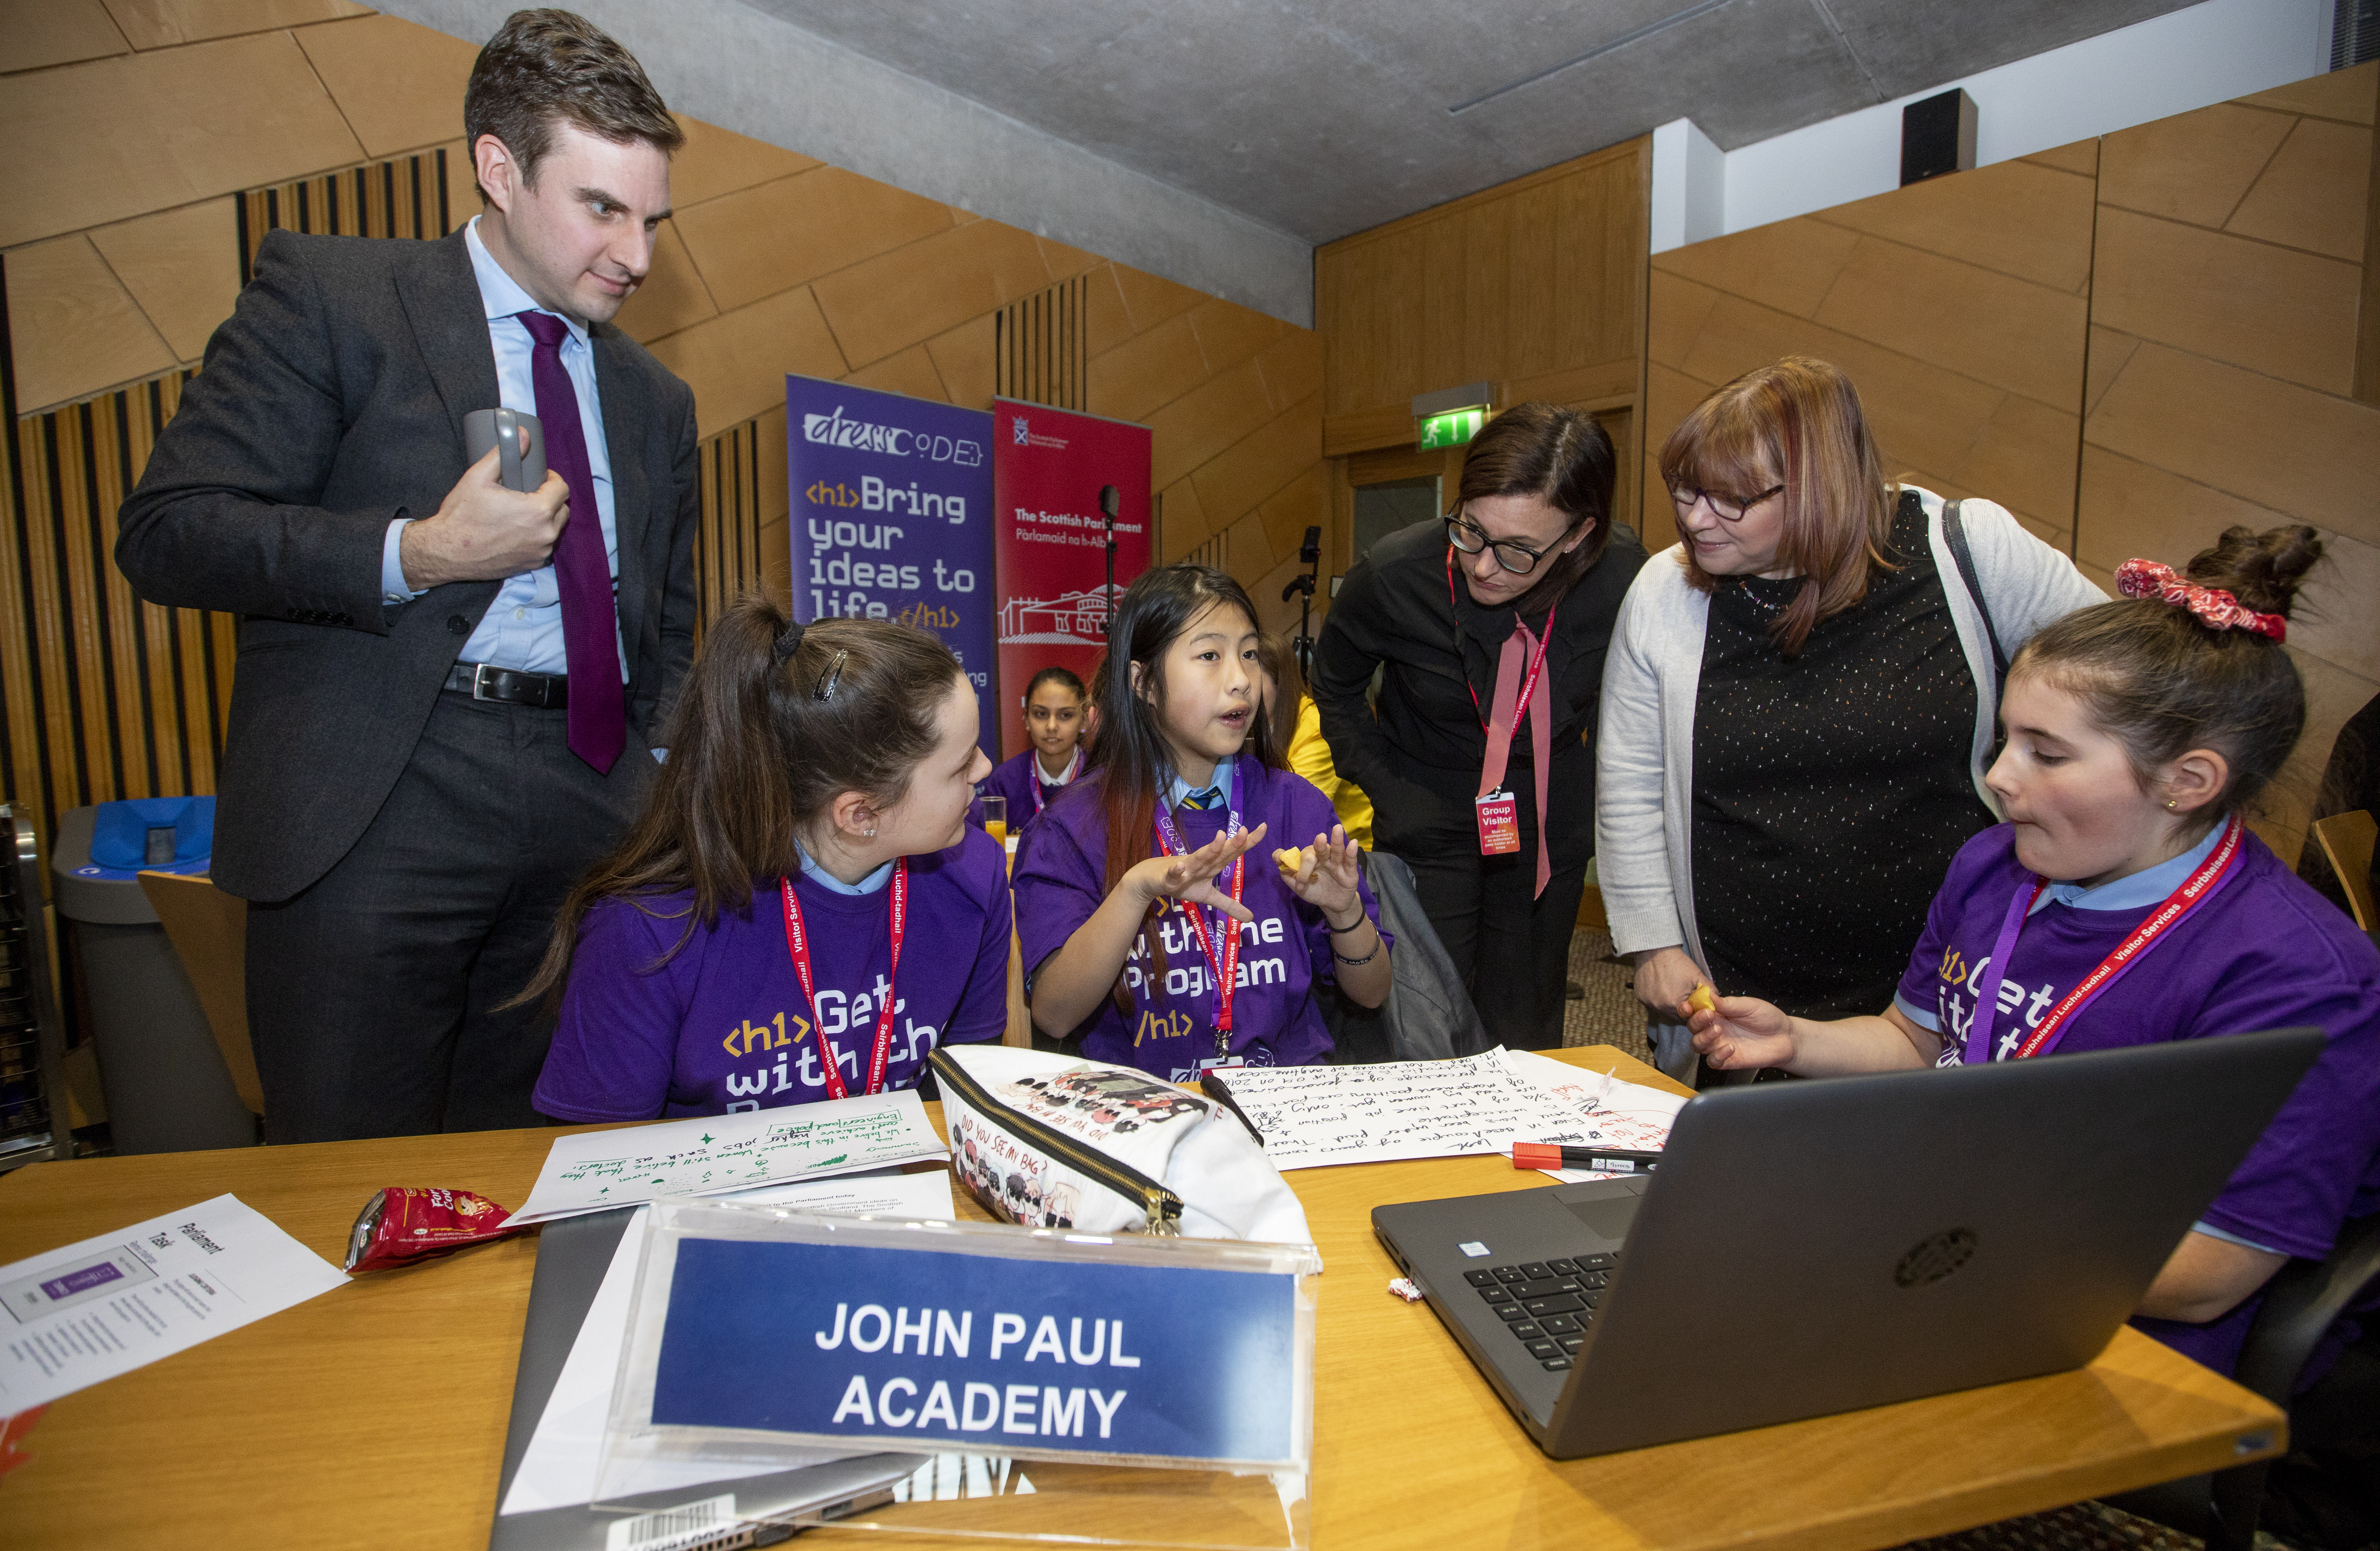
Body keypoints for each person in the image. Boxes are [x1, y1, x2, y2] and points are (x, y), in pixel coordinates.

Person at [111, 10, 696, 1142]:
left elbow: (664, 627)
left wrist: (651, 784)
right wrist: (413, 552)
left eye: (652, 219)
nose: (636, 253)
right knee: (348, 1177)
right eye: (602, 209)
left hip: (592, 814)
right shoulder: (334, 296)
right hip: (381, 794)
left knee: (549, 1170)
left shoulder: (655, 400)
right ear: (497, 167)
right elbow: (171, 530)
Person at [1684, 526, 2380, 1384]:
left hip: (2109, 1335)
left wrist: (1902, 1221)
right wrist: (1797, 1040)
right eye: (2006, 739)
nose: (2000, 778)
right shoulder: (1993, 864)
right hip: (1946, 1250)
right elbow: (1918, 1044)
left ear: (2188, 781)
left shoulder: (2299, 977)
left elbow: (2205, 1277)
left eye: (2045, 754)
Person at [1597, 357, 2103, 1083]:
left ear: (1819, 486)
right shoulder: (1666, 589)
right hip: (1743, 977)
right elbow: (1630, 779)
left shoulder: (1969, 549)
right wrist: (1653, 944)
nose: (1694, 518)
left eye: (1730, 499)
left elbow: (2127, 688)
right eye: (1684, 492)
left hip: (1942, 972)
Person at [527, 602, 1009, 1118]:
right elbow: (597, 1165)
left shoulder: (974, 875)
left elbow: (965, 1101)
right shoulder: (651, 931)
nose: (986, 767)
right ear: (860, 812)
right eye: (961, 765)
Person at [1313, 403, 1644, 1051]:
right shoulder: (1395, 574)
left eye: (1518, 551)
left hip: (1546, 819)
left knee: (1524, 1013)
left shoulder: (1624, 580)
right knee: (1425, 1014)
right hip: (1429, 813)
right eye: (1470, 531)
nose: (1484, 566)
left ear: (1578, 535)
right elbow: (1335, 686)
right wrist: (1388, 787)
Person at [1015, 565, 1392, 1082]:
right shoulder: (1072, 827)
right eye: (1210, 656)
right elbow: (1054, 1014)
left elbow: (1372, 993)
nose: (1241, 679)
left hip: (1289, 1106)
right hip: (1143, 1119)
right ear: (1143, 682)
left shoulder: (1295, 806)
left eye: (1250, 654)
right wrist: (1134, 891)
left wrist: (1345, 909)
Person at [1257, 632, 1373, 848]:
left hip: (1354, 855)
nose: (1242, 690)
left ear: (1279, 682)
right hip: (1308, 849)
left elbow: (1291, 814)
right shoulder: (1262, 727)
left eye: (1254, 680)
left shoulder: (1318, 731)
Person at [976, 666, 1089, 838]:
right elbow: (982, 847)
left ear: (1084, 721)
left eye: (1066, 715)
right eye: (1041, 714)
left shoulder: (1101, 778)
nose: (1052, 727)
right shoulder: (1005, 782)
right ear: (1027, 719)